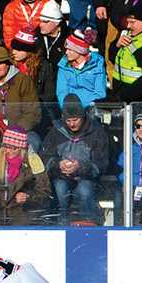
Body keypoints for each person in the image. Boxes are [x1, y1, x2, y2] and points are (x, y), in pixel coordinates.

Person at [42, 95, 110, 223]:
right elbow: (45, 157)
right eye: (68, 121)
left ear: (82, 116)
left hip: (87, 177)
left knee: (84, 191)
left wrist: (80, 166)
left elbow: (101, 162)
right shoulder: (56, 131)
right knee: (60, 190)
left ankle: (88, 222)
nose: (72, 124)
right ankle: (61, 223)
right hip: (61, 176)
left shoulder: (96, 131)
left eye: (75, 120)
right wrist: (58, 165)